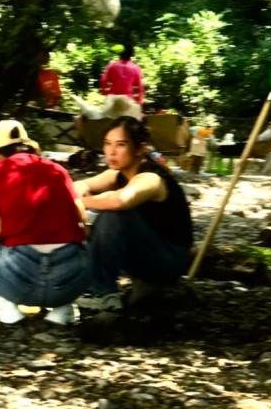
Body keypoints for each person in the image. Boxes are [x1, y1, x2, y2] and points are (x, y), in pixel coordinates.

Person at [0, 119, 88, 325]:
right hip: (70, 284)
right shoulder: (58, 170)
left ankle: (1, 299)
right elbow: (82, 222)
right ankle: (63, 308)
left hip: (18, 283)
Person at [74, 116, 192, 310]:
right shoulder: (118, 173)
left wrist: (82, 202)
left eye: (120, 145)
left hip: (168, 260)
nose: (111, 152)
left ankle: (102, 293)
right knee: (94, 211)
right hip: (146, 253)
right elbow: (79, 185)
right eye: (107, 144)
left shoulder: (151, 178)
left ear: (139, 149)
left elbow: (120, 201)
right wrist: (79, 196)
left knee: (114, 213)